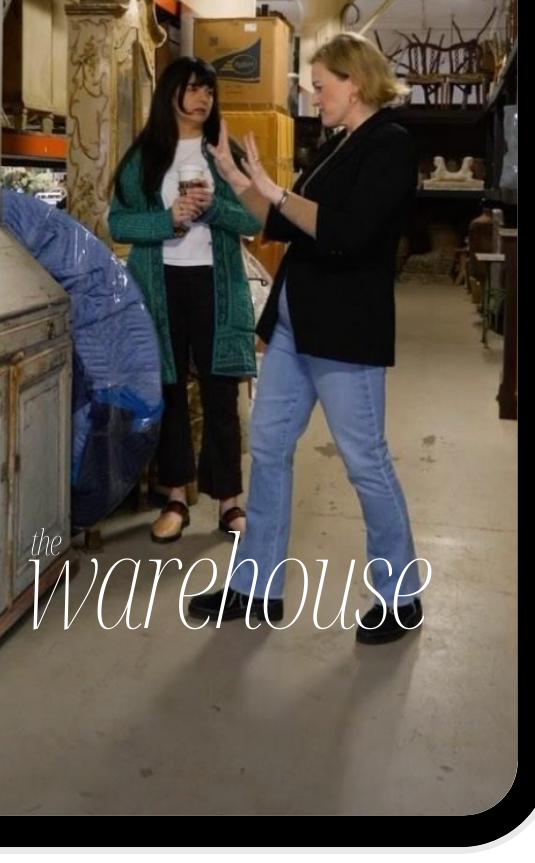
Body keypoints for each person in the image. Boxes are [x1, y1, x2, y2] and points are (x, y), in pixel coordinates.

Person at [189, 32, 425, 644]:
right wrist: (235, 177)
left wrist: (274, 189)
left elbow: (346, 234)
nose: (314, 96)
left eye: (321, 86)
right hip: (295, 329)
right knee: (266, 450)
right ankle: (256, 586)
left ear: (354, 81)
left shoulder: (390, 146)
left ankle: (401, 596)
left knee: (365, 462)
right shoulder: (334, 144)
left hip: (345, 333)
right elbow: (277, 221)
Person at [108, 57, 261, 543]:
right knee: (169, 391)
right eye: (193, 89)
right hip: (159, 287)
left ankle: (229, 502)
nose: (202, 100)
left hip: (216, 287)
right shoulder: (144, 157)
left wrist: (214, 207)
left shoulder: (224, 152)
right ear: (171, 93)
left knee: (220, 392)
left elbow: (254, 222)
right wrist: (167, 218)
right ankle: (175, 495)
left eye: (209, 92)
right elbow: (119, 223)